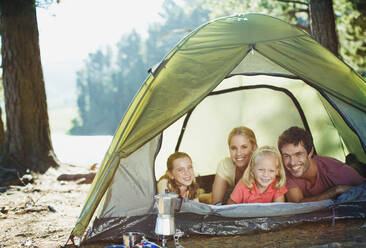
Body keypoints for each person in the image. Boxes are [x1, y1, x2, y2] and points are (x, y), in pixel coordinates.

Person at [277, 126, 366, 203]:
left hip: (353, 170)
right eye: (286, 156)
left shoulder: (337, 171)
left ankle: (352, 161)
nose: (292, 162)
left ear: (310, 152)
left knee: (359, 167)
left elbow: (363, 190)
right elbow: (298, 204)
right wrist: (335, 191)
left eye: (298, 154)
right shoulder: (286, 170)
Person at [211, 126, 258, 205]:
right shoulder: (225, 165)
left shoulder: (263, 166)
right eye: (233, 148)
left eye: (244, 147)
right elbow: (216, 204)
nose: (238, 153)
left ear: (254, 148)